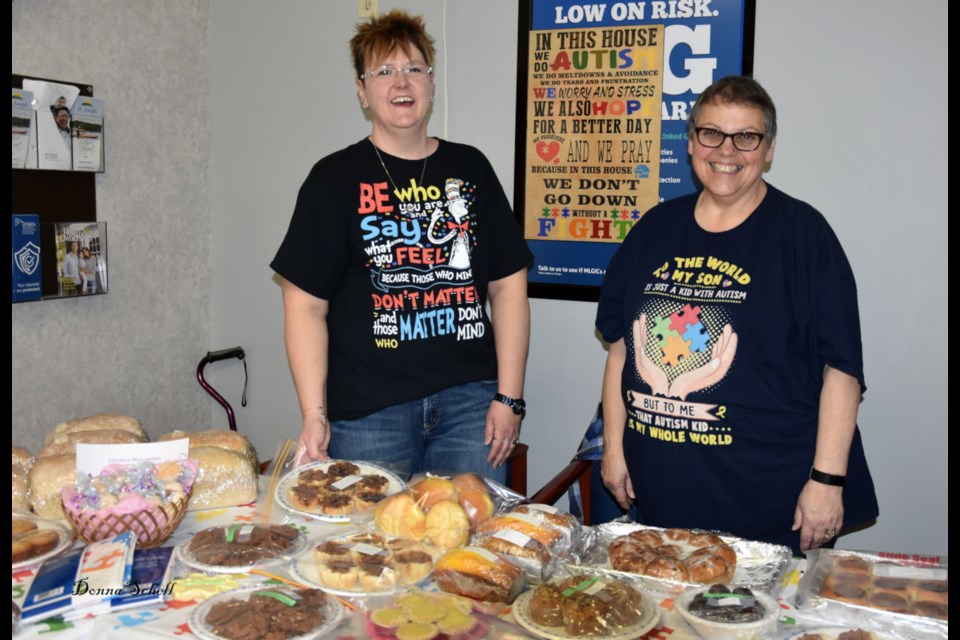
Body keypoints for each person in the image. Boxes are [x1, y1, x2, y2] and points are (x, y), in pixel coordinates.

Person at [595, 75, 878, 556]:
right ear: (690, 143)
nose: (727, 150)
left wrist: (827, 481)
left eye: (746, 136)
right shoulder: (654, 230)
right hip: (660, 494)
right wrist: (615, 449)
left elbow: (843, 370)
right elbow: (621, 346)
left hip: (768, 499)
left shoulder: (804, 235)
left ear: (767, 149)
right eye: (711, 133)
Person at [271, 10, 532, 483]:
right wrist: (314, 412)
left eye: (413, 68)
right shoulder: (333, 181)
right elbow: (305, 305)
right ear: (362, 91)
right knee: (373, 550)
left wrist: (509, 396)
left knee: (466, 546)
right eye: (383, 72)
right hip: (370, 414)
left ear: (431, 82)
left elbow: (509, 286)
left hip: (469, 404)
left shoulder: (470, 168)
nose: (401, 83)